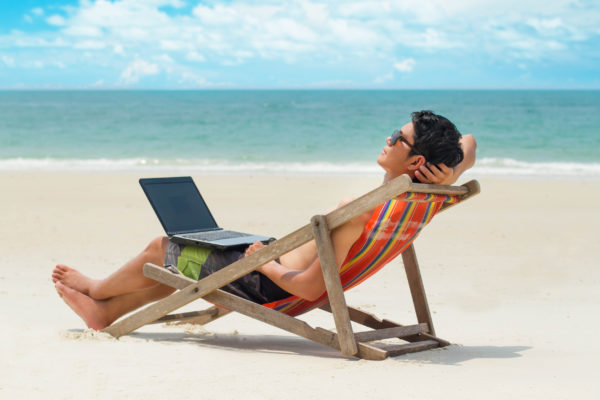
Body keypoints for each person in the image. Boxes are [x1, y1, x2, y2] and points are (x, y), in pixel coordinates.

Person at [52, 110, 477, 330]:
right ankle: (103, 314)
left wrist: (264, 261)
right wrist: (452, 171)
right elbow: (469, 143)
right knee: (187, 256)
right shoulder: (426, 196)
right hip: (270, 263)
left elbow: (311, 286)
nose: (387, 139)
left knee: (164, 248)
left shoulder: (361, 208)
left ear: (416, 158)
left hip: (266, 283)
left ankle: (98, 289)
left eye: (396, 139)